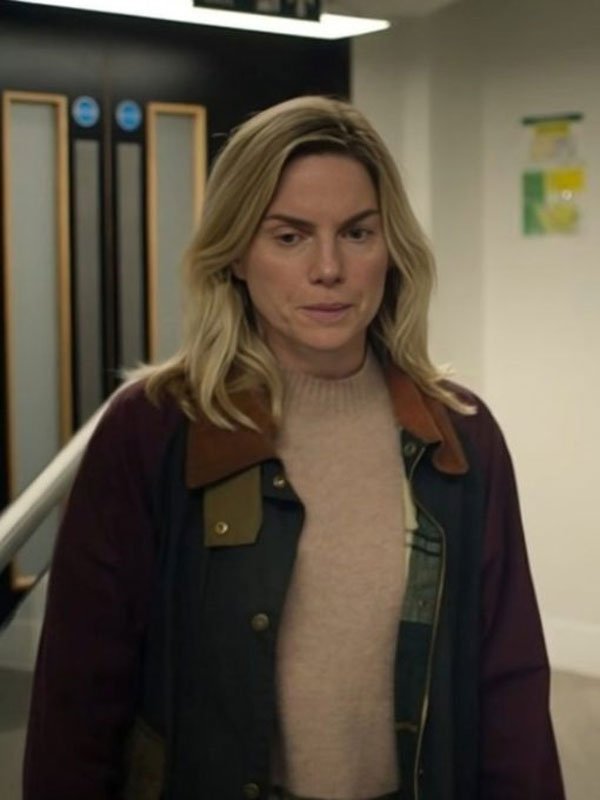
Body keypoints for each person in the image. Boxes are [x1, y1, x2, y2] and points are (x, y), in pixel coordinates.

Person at [23, 95, 565, 800]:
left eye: (358, 233)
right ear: (235, 255)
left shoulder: (459, 436)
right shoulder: (155, 428)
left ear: (391, 249)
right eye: (289, 237)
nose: (329, 268)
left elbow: (509, 684)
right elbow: (79, 697)